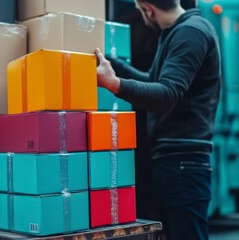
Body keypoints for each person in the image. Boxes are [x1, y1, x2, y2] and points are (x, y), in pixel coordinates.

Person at [95, 0, 221, 239]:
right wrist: (115, 67)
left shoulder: (191, 32)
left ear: (147, 9)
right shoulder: (176, 32)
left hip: (184, 163)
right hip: (174, 162)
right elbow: (155, 81)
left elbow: (166, 95)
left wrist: (114, 83)